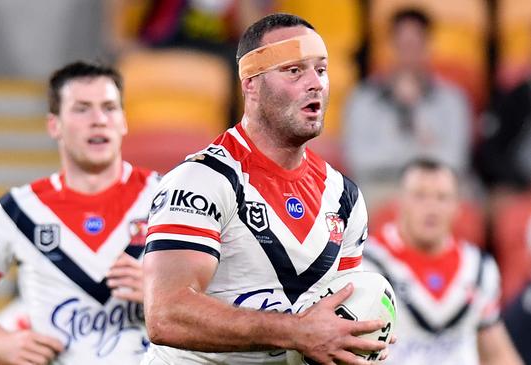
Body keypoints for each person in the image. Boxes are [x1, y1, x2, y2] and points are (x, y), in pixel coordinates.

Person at [142, 13, 390, 365]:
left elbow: (338, 318)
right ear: (251, 84)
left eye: (320, 70)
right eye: (294, 71)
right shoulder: (201, 181)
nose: (314, 84)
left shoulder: (344, 198)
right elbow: (166, 313)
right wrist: (298, 332)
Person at [0, 60, 160, 365]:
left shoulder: (168, 199)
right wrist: (0, 340)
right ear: (54, 125)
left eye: (109, 108)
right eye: (82, 109)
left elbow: (230, 292)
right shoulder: (18, 211)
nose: (98, 120)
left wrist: (164, 291)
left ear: (123, 121)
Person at [362, 158, 522, 365]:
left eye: (442, 197)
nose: (431, 207)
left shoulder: (478, 268)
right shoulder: (367, 265)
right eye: (420, 196)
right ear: (399, 203)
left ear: (458, 207)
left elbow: (497, 353)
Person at [343, 8, 472, 209]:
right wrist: (422, 150)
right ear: (390, 47)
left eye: (415, 45)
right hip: (381, 188)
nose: (409, 55)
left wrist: (414, 112)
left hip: (436, 188)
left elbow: (455, 160)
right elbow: (360, 160)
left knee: (464, 202)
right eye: (403, 46)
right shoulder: (363, 98)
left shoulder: (452, 98)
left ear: (429, 46)